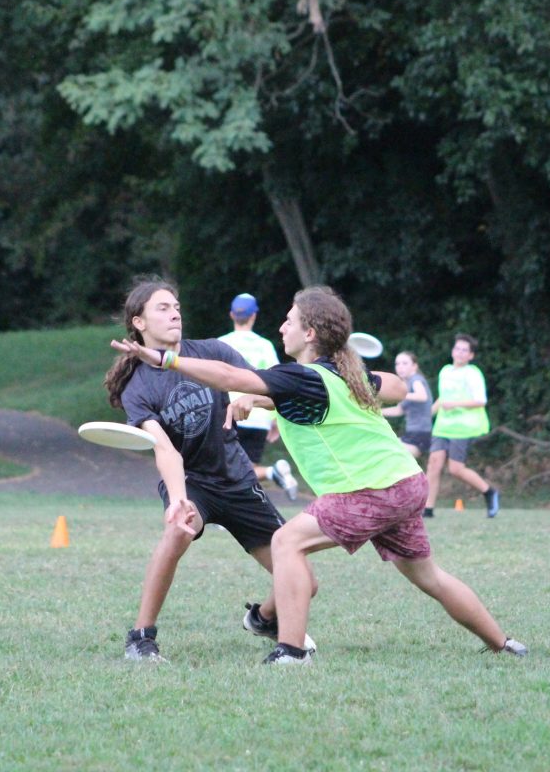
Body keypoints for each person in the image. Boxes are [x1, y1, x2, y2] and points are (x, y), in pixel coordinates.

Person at [112, 286, 526, 666]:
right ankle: (503, 644)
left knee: (287, 541)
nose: (281, 327)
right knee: (428, 575)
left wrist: (169, 360)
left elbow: (233, 378)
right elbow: (396, 387)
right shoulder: (338, 373)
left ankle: (291, 653)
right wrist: (263, 400)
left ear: (309, 333)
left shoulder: (301, 376)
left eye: (289, 321)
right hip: (407, 482)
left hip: (369, 490)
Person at [104, 278, 315, 663]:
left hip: (237, 479)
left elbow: (267, 387)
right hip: (193, 483)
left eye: (176, 306)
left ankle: (264, 618)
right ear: (139, 323)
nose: (175, 313)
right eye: (163, 308)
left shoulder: (214, 352)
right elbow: (164, 448)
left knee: (306, 583)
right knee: (177, 533)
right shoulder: (138, 386)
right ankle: (140, 638)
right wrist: (180, 500)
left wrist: (250, 398)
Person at [218, 292, 300, 501]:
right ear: (254, 316)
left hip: (228, 413)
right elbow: (274, 383)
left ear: (231, 315)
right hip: (258, 416)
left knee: (227, 467)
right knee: (245, 468)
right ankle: (272, 474)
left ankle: (272, 473)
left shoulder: (220, 344)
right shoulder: (265, 345)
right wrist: (275, 419)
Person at [425, 334, 500, 519]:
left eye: (464, 350)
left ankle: (489, 492)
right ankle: (427, 509)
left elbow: (480, 400)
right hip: (442, 425)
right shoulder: (445, 371)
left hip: (463, 426)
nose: (460, 353)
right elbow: (443, 398)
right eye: (457, 349)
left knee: (455, 469)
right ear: (452, 351)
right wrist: (426, 415)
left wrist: (456, 404)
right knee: (434, 464)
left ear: (471, 356)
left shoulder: (473, 373)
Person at [380, 351, 433, 459]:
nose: (400, 367)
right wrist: (376, 412)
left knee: (389, 456)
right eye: (397, 364)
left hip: (419, 435)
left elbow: (422, 396)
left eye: (405, 363)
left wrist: (401, 394)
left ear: (414, 366)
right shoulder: (407, 384)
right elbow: (399, 410)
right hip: (411, 434)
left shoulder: (416, 379)